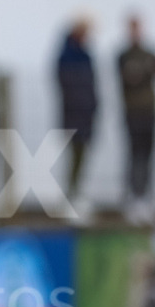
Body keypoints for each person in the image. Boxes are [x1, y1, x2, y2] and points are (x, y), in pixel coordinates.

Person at [116, 15, 155, 225]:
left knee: (149, 155)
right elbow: (130, 77)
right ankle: (133, 197)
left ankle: (147, 196)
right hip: (132, 113)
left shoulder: (149, 52)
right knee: (134, 155)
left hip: (150, 112)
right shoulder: (123, 55)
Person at [56, 18, 98, 218]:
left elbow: (91, 87)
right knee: (73, 156)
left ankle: (77, 194)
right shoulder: (66, 56)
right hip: (73, 115)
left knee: (82, 156)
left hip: (86, 115)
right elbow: (67, 87)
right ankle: (70, 196)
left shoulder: (86, 56)